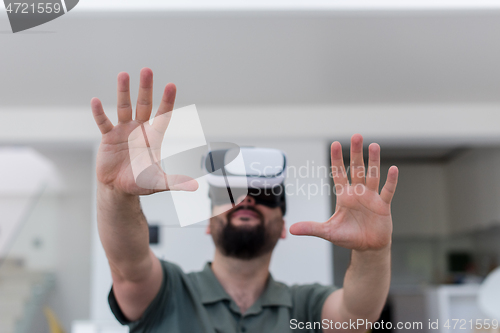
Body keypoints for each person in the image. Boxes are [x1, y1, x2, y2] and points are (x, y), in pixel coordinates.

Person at [90, 68, 399, 333]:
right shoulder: (168, 292)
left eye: (264, 194)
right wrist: (115, 192)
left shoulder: (307, 306)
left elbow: (355, 319)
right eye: (231, 193)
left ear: (282, 226)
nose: (247, 200)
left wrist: (373, 252)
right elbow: (127, 265)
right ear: (209, 223)